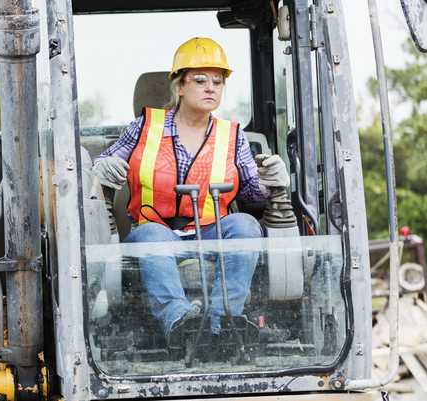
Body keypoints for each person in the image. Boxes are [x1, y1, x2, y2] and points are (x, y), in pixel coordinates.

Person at [92, 37, 289, 342]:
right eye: (200, 80)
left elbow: (252, 195)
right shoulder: (145, 127)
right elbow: (106, 164)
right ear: (179, 87)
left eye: (218, 81)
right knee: (152, 236)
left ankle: (224, 321)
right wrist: (101, 169)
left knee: (246, 225)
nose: (211, 87)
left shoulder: (232, 136)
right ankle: (181, 323)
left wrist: (271, 181)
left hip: (212, 232)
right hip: (157, 231)